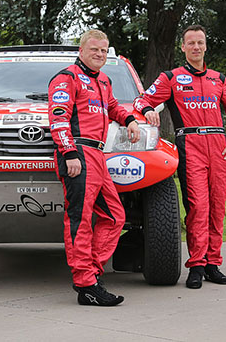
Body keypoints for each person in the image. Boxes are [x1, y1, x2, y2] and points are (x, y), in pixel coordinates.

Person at [133, 25, 226, 289]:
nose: (196, 47)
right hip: (190, 144)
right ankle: (196, 265)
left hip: (219, 147)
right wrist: (148, 110)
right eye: (191, 43)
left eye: (200, 42)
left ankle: (212, 264)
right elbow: (142, 101)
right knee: (198, 207)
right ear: (182, 47)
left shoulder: (219, 79)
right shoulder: (171, 77)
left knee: (217, 208)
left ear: (206, 46)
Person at [48, 29, 141, 306]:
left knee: (114, 216)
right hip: (78, 152)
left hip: (99, 155)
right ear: (81, 51)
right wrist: (69, 153)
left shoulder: (103, 80)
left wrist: (129, 120)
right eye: (94, 50)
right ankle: (86, 284)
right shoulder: (67, 78)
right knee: (79, 220)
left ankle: (92, 274)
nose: (99, 54)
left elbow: (112, 107)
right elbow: (58, 118)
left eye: (103, 50)